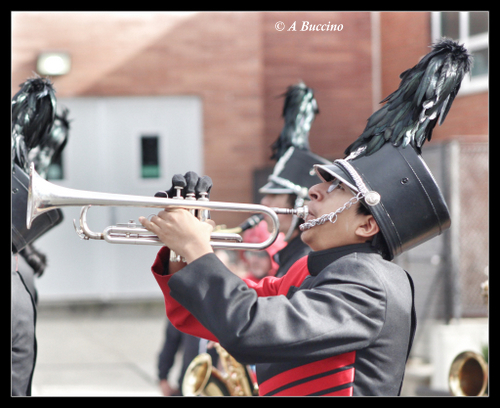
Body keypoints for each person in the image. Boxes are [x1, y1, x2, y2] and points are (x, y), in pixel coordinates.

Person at [140, 39, 469, 396]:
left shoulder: (370, 284)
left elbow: (251, 328)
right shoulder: (311, 269)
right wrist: (181, 253)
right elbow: (210, 313)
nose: (314, 191)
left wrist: (196, 246)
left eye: (337, 189)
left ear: (367, 224)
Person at [259, 82, 332, 277]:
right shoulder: (295, 254)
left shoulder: (305, 259)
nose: (264, 203)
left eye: (274, 197)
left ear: (302, 206)